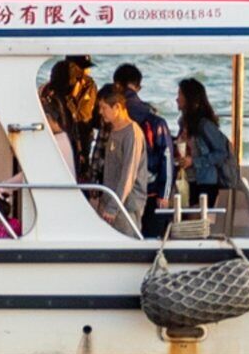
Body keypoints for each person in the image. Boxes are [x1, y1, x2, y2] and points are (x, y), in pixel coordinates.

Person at [109, 62, 173, 238]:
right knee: (150, 239)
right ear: (138, 87)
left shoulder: (113, 117)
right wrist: (164, 194)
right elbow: (166, 158)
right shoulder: (155, 120)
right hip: (151, 189)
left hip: (119, 190)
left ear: (116, 85)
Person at [176, 76, 231, 227]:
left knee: (195, 223)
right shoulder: (184, 123)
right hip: (188, 180)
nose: (176, 99)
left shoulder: (205, 125)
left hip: (205, 182)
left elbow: (221, 153)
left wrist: (194, 161)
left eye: (180, 94)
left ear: (189, 98)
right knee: (185, 220)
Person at [91, 89, 149, 235]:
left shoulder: (132, 133)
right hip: (109, 200)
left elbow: (128, 175)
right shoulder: (113, 131)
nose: (100, 112)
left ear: (117, 107)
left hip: (126, 206)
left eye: (104, 107)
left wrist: (113, 207)